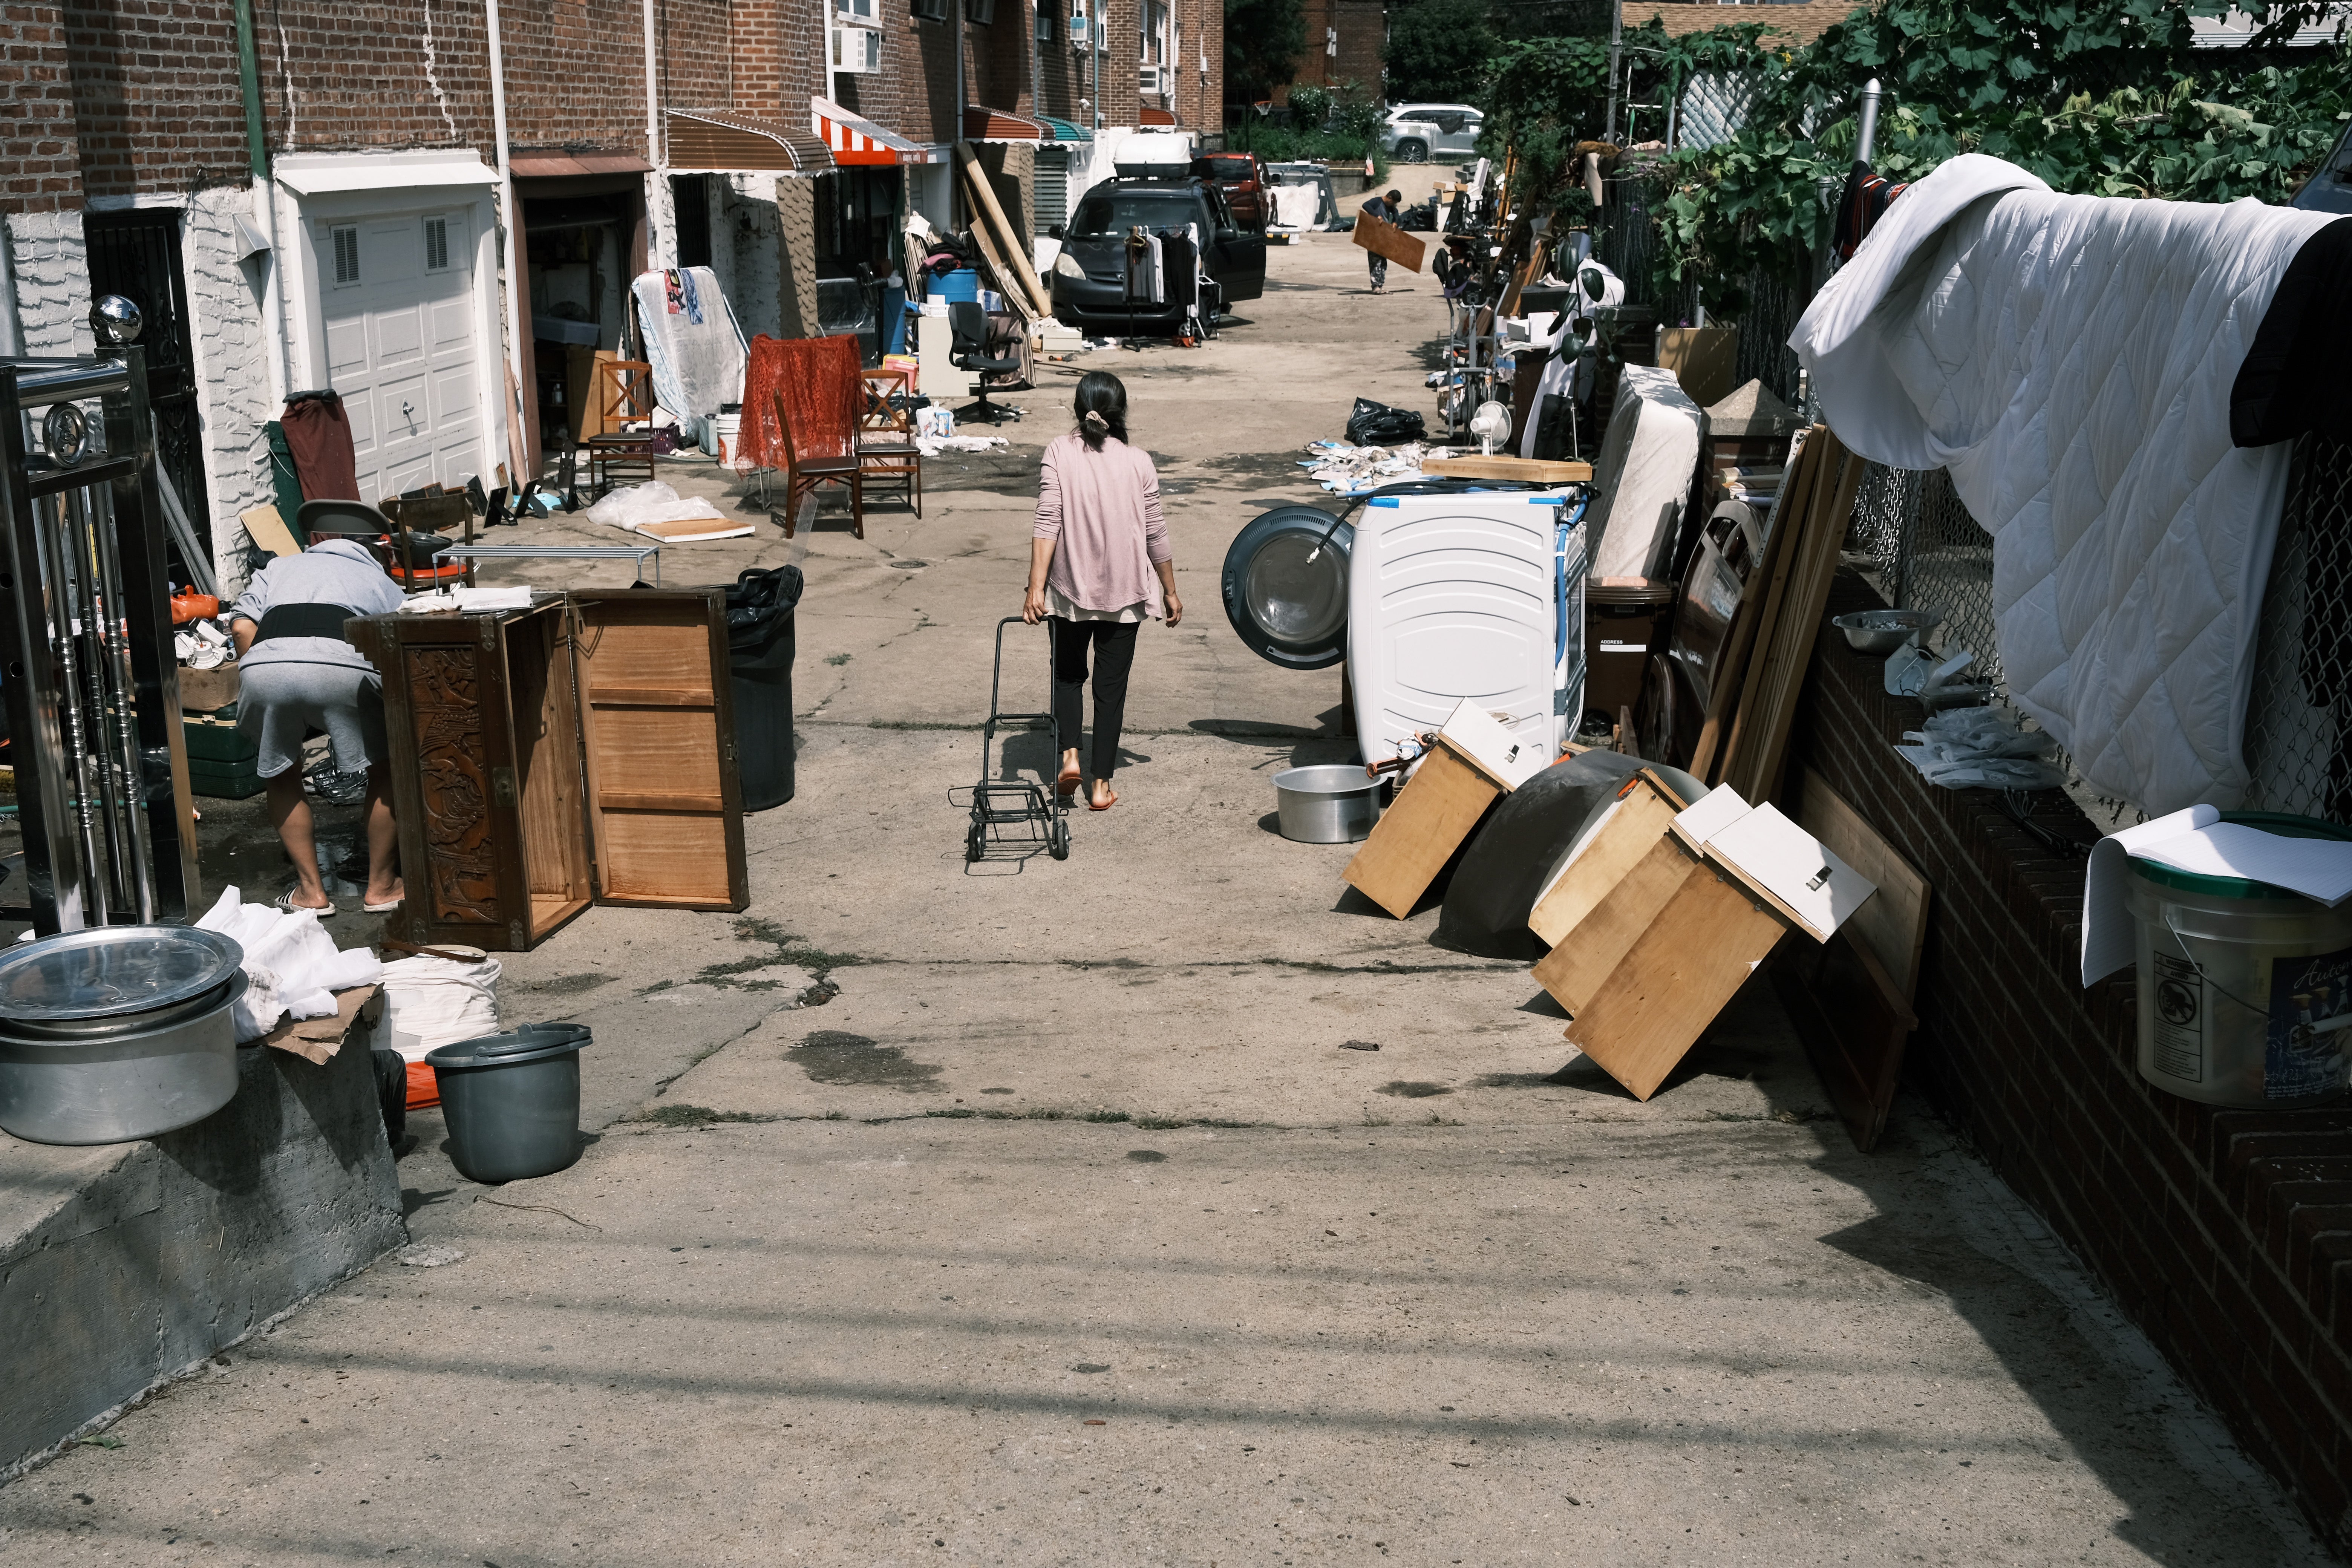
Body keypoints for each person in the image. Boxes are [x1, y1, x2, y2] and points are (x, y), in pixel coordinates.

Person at [228, 511, 407, 915]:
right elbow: (401, 637)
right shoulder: (381, 579)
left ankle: (311, 892)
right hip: (344, 667)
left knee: (282, 771)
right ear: (373, 551)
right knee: (385, 768)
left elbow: (241, 628)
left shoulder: (279, 565)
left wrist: (269, 678)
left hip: (265, 667)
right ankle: (381, 887)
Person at [1022, 371, 1181, 812]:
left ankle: (1070, 755)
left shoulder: (1059, 451)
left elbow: (1046, 520)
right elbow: (1156, 534)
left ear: (1079, 409)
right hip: (1125, 594)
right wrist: (1170, 590)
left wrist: (1036, 587)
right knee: (1110, 692)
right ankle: (1100, 786)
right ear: (1120, 412)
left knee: (1068, 676)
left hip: (1067, 591)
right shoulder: (1139, 462)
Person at [1361, 188, 1403, 293]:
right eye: (1393, 202)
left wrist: (1395, 223)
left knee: (1383, 263)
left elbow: (1397, 215)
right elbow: (1366, 205)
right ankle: (1375, 286)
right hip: (1373, 237)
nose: (1394, 205)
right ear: (1389, 198)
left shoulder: (1391, 206)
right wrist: (1377, 216)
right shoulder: (1377, 201)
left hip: (1384, 237)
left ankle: (1380, 285)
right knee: (1375, 262)